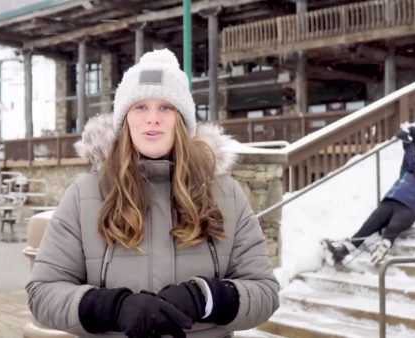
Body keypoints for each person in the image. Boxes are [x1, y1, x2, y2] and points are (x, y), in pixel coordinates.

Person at [26, 49, 279, 338]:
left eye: (166, 107)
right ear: (125, 119)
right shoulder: (84, 195)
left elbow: (265, 291)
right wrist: (111, 308)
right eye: (140, 107)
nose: (153, 119)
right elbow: (42, 293)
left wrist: (206, 297)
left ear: (181, 120)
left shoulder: (226, 194)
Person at [323, 126, 415, 266]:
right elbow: (409, 160)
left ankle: (383, 247)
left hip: (407, 208)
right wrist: (414, 143)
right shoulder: (406, 174)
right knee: (366, 228)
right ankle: (340, 253)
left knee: (392, 228)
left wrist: (408, 144)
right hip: (389, 203)